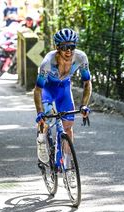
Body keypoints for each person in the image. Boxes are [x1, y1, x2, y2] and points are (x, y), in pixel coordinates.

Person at [33, 28, 92, 163]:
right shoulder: (47, 62)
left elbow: (87, 83)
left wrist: (84, 105)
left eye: (72, 47)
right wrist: (39, 112)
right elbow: (37, 90)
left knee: (68, 126)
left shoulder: (81, 58)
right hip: (48, 88)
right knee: (46, 117)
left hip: (64, 88)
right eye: (65, 47)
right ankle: (41, 140)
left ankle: (66, 162)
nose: (68, 51)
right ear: (58, 47)